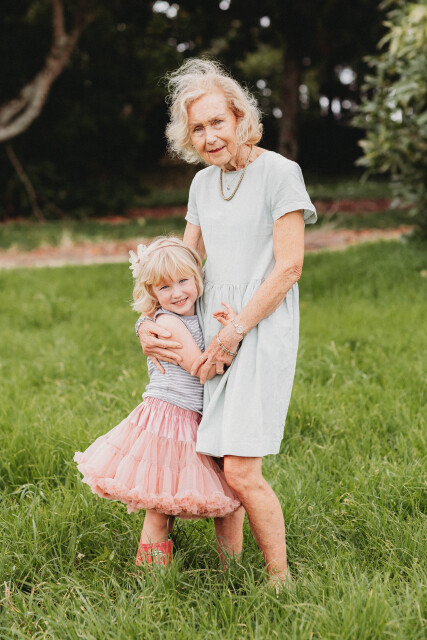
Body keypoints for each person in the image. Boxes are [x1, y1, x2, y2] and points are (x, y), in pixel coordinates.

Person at [137, 58, 317, 585]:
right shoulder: (201, 184)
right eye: (197, 128)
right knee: (216, 458)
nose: (209, 136)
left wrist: (236, 331)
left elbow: (290, 267)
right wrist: (149, 323)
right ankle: (230, 574)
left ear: (240, 117)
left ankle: (280, 580)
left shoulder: (280, 173)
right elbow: (181, 264)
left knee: (240, 468)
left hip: (257, 325)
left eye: (218, 121)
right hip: (208, 328)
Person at [74, 237, 241, 569]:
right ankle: (152, 578)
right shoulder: (167, 322)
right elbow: (202, 369)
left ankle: (228, 572)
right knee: (159, 508)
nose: (177, 292)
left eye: (183, 281)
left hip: (186, 417)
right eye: (165, 287)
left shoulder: (194, 314)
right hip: (170, 419)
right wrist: (232, 338)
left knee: (173, 502)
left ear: (198, 277)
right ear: (152, 292)